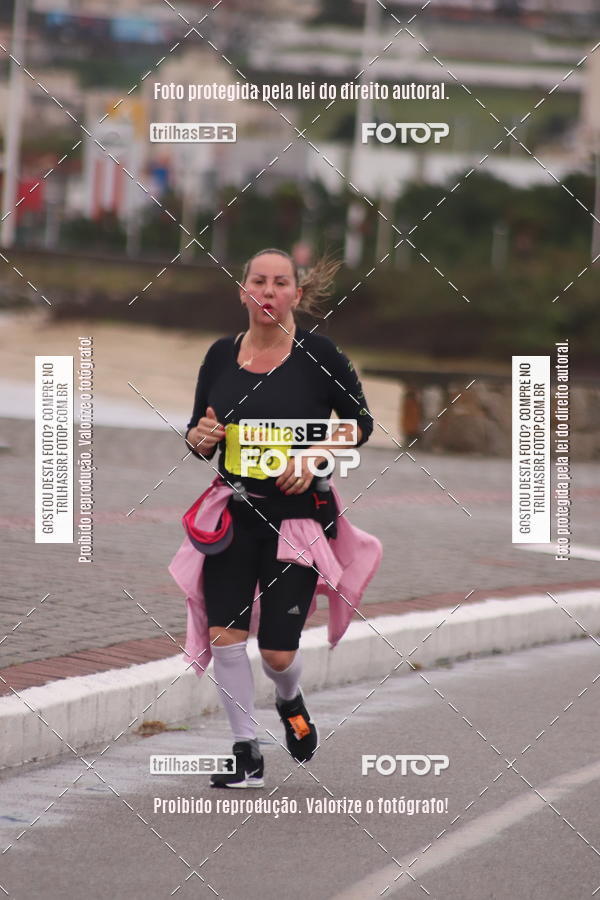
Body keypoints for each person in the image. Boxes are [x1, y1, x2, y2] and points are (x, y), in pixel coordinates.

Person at [173, 248, 380, 788]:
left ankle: (291, 701)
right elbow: (200, 429)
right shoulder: (220, 354)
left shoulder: (320, 354)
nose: (268, 292)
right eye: (258, 282)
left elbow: (360, 423)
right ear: (242, 291)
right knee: (226, 637)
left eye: (279, 283)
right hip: (234, 515)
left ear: (296, 294)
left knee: (278, 653)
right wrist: (200, 438)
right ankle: (247, 752)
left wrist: (312, 457)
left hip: (298, 522)